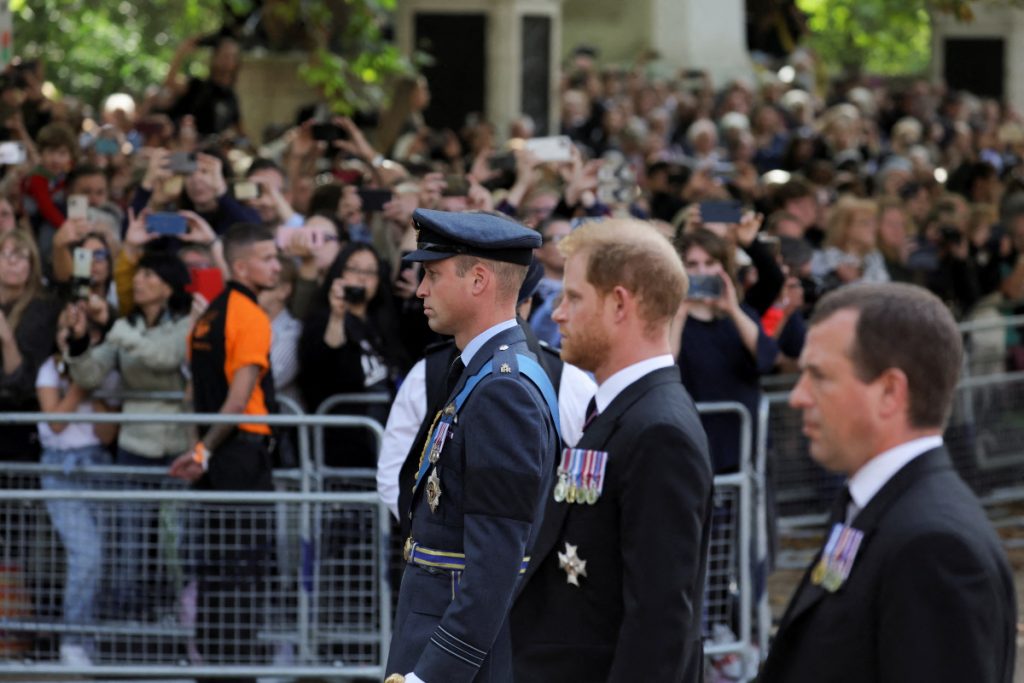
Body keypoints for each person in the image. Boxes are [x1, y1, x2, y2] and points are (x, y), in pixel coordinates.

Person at [759, 282, 1016, 682]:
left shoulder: (935, 547)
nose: (798, 397)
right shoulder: (870, 504)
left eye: (819, 376)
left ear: (890, 392)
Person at [512, 218, 714, 682]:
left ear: (620, 304)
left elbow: (659, 623)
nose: (558, 313)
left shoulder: (659, 429)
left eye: (574, 297)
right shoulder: (621, 412)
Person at [384, 209, 560, 683]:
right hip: (436, 634)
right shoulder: (481, 371)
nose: (421, 289)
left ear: (479, 279)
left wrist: (432, 675)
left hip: (455, 657)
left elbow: (494, 565)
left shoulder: (503, 388)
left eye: (433, 274)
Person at [168, 222, 281, 681]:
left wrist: (203, 451)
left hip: (219, 460)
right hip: (238, 456)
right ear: (241, 266)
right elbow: (237, 399)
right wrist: (204, 451)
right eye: (269, 258)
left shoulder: (208, 317)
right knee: (243, 572)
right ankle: (237, 673)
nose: (276, 265)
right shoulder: (249, 317)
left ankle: (213, 670)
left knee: (216, 569)